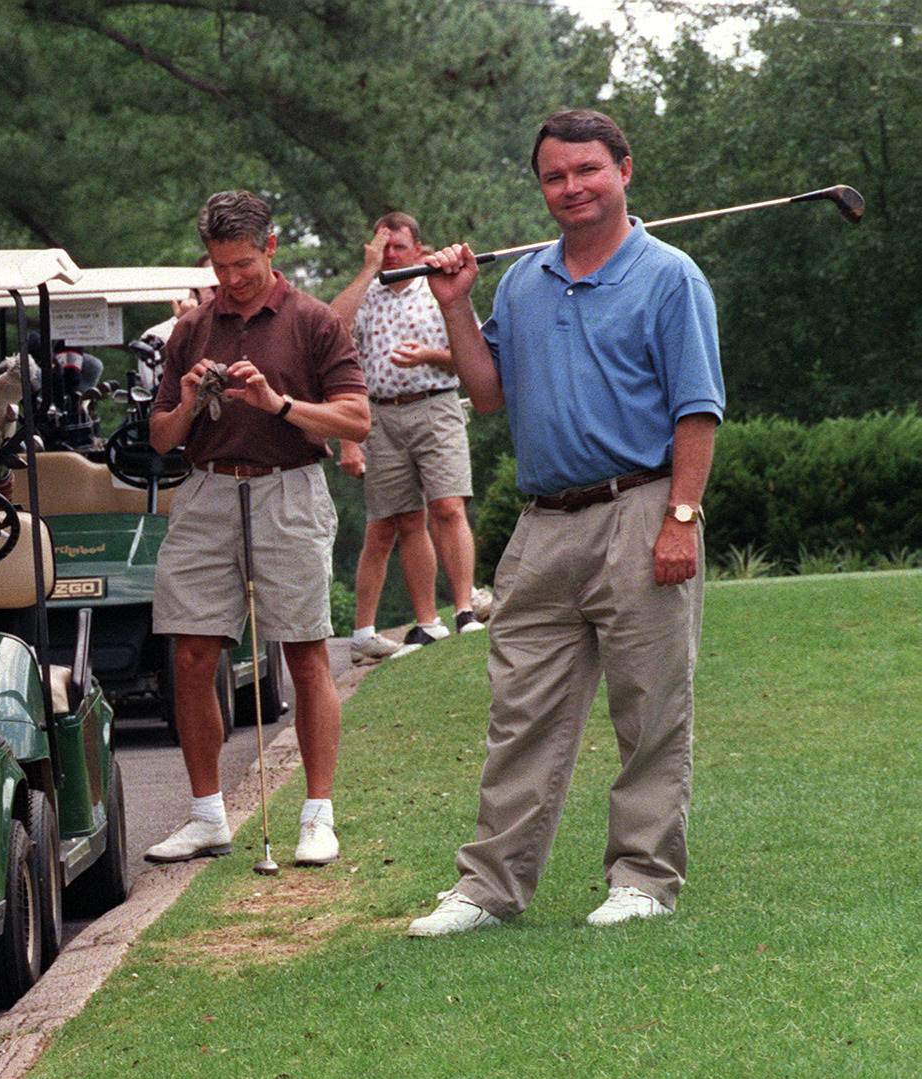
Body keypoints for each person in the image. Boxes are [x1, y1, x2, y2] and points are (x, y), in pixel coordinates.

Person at [405, 109, 722, 937]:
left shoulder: (670, 276)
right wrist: (454, 306)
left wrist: (681, 518)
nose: (572, 187)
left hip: (644, 505)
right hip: (544, 521)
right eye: (555, 176)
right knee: (520, 713)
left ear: (624, 171)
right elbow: (486, 391)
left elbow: (698, 410)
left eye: (588, 170)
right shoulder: (522, 281)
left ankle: (644, 878)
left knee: (650, 709)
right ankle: (489, 889)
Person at [144, 190, 370, 866]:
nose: (230, 281)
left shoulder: (315, 320)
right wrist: (187, 401)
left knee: (304, 653)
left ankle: (317, 816)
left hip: (288, 490)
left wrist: (279, 403)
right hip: (207, 490)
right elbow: (160, 440)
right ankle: (207, 815)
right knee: (190, 656)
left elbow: (356, 419)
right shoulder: (191, 328)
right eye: (219, 267)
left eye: (242, 264)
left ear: (271, 247)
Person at [328, 213, 493, 663]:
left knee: (448, 504)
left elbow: (473, 358)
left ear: (418, 250)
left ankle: (464, 610)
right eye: (382, 247)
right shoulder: (366, 294)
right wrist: (367, 270)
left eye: (398, 247)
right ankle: (428, 623)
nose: (391, 255)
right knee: (403, 519)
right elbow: (331, 333)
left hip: (436, 404)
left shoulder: (439, 289)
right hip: (380, 415)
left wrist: (428, 355)